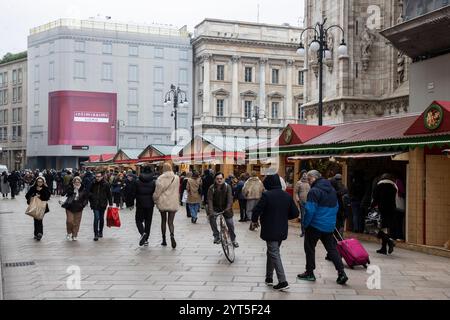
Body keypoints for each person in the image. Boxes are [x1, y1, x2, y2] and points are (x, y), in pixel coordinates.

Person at [297, 170, 348, 285]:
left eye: (309, 179)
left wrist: (305, 224)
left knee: (309, 248)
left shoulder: (314, 191)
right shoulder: (332, 190)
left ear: (314, 178)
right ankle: (341, 273)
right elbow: (336, 207)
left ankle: (310, 273)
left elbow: (310, 210)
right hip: (328, 226)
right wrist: (330, 222)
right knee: (332, 249)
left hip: (315, 225)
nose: (308, 182)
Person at [251, 174, 299, 291]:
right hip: (282, 229)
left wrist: (254, 220)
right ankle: (269, 277)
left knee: (274, 253)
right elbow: (295, 213)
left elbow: (257, 210)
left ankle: (283, 281)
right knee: (272, 252)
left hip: (270, 229)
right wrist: (282, 217)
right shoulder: (286, 195)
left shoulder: (267, 195)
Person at [207, 172, 238, 247]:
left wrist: (228, 208)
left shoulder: (228, 187)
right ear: (215, 180)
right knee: (212, 218)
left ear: (223, 179)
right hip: (215, 208)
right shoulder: (211, 188)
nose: (219, 180)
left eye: (221, 179)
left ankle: (233, 239)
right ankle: (216, 236)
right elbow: (210, 200)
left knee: (230, 223)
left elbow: (230, 199)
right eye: (217, 179)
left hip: (226, 208)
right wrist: (211, 211)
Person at [153, 163, 180, 248]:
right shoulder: (176, 178)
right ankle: (172, 235)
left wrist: (154, 198)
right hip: (173, 202)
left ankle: (164, 240)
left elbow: (157, 192)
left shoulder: (160, 178)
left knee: (163, 220)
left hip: (163, 202)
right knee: (171, 222)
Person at [371, 174, 397, 255]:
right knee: (385, 229)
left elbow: (375, 198)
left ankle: (389, 242)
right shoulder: (394, 187)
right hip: (392, 210)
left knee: (379, 228)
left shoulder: (379, 186)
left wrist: (371, 207)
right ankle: (383, 248)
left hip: (382, 210)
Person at [133, 166, 156, 247]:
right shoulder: (153, 182)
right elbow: (155, 193)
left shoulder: (137, 181)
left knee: (138, 220)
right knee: (148, 222)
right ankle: (146, 239)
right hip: (150, 204)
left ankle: (143, 233)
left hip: (140, 204)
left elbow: (134, 192)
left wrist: (132, 202)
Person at [88, 172, 113, 241]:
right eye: (96, 176)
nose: (97, 178)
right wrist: (91, 197)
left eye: (99, 176)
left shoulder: (106, 184)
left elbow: (109, 194)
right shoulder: (93, 183)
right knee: (96, 218)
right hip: (95, 204)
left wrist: (111, 204)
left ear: (102, 177)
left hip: (103, 204)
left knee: (101, 218)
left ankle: (100, 231)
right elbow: (89, 192)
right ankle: (95, 234)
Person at [63, 176, 89, 241]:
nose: (77, 183)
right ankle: (69, 233)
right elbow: (63, 193)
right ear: (73, 182)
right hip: (70, 207)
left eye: (78, 182)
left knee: (77, 222)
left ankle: (74, 235)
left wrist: (83, 205)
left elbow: (86, 199)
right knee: (69, 221)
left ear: (80, 182)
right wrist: (72, 190)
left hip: (79, 208)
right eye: (75, 182)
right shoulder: (70, 188)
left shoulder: (83, 189)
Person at [25, 176, 51, 241]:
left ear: (43, 182)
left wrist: (41, 194)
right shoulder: (33, 188)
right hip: (35, 206)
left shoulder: (45, 188)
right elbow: (27, 196)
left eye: (41, 182)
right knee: (36, 220)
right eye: (38, 181)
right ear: (36, 182)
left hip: (42, 207)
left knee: (39, 219)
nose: (39, 183)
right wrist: (33, 196)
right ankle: (36, 233)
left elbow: (47, 197)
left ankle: (39, 233)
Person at [293, 170, 311, 237]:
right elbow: (296, 192)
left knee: (309, 216)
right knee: (303, 217)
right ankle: (303, 231)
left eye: (306, 174)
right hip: (302, 202)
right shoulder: (299, 183)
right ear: (301, 175)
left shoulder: (309, 183)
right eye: (303, 174)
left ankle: (308, 231)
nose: (305, 175)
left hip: (309, 202)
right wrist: (298, 200)